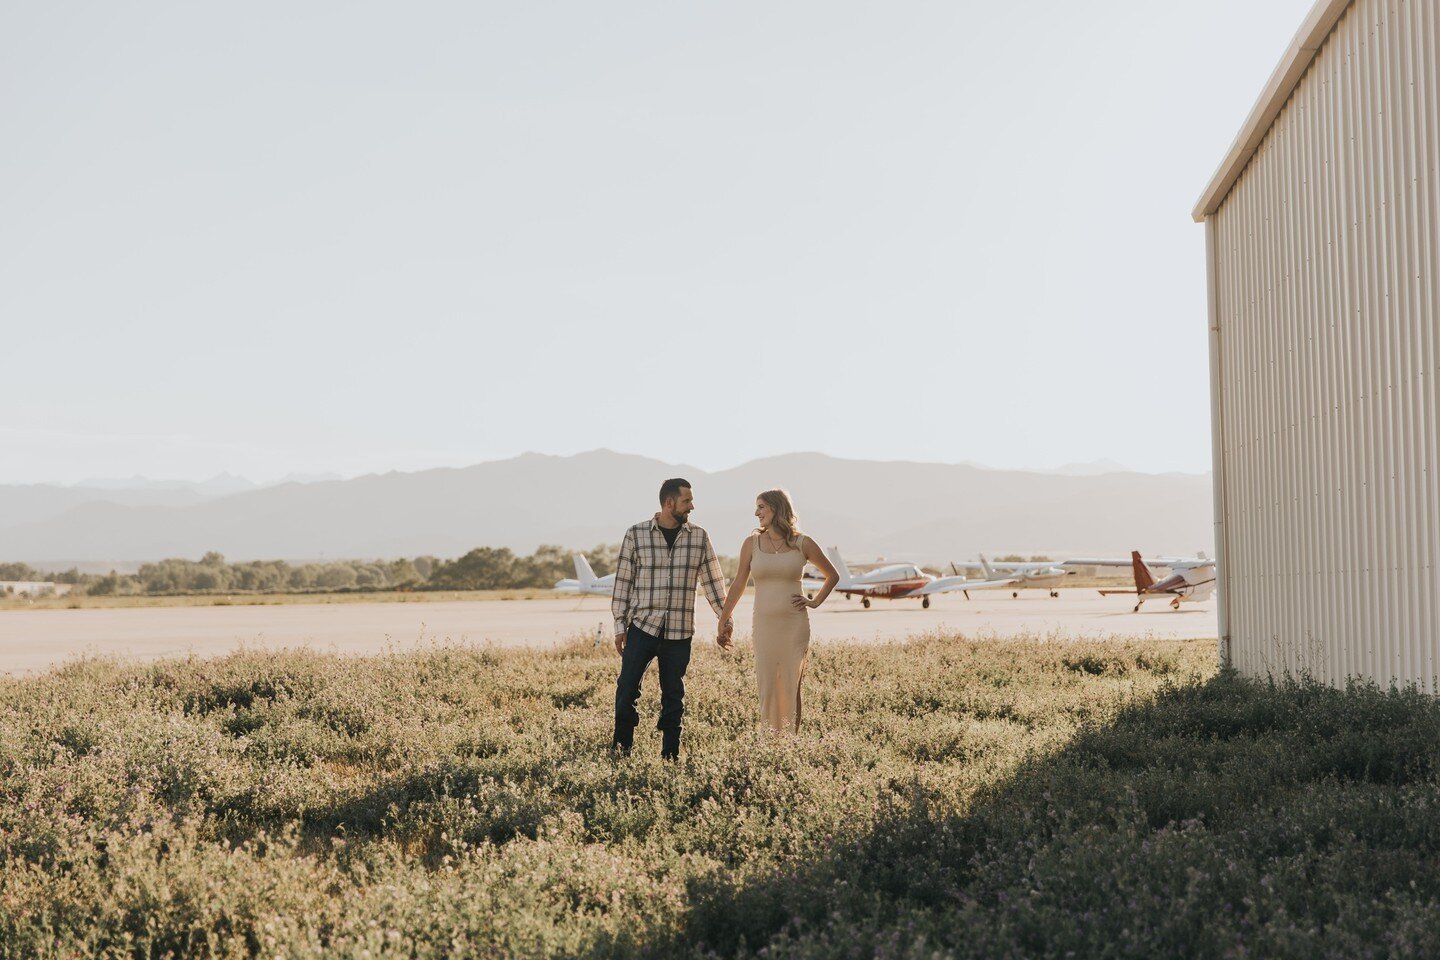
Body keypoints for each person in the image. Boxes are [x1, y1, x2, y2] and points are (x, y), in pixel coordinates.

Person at [611, 478, 733, 760]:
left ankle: (670, 756)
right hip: (642, 627)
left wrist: (725, 620)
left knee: (674, 697)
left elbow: (713, 583)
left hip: (679, 633)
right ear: (669, 503)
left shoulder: (699, 537)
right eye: (686, 501)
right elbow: (623, 584)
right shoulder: (636, 534)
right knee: (627, 689)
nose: (692, 506)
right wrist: (620, 626)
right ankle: (621, 751)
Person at [719, 489, 838, 733]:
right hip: (764, 626)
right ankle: (770, 740)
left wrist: (814, 602)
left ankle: (791, 742)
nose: (756, 513)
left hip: (794, 625)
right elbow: (739, 583)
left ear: (776, 508)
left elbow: (832, 575)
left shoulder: (802, 542)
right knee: (768, 684)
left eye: (761, 507)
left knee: (791, 684)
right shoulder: (751, 543)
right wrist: (724, 618)